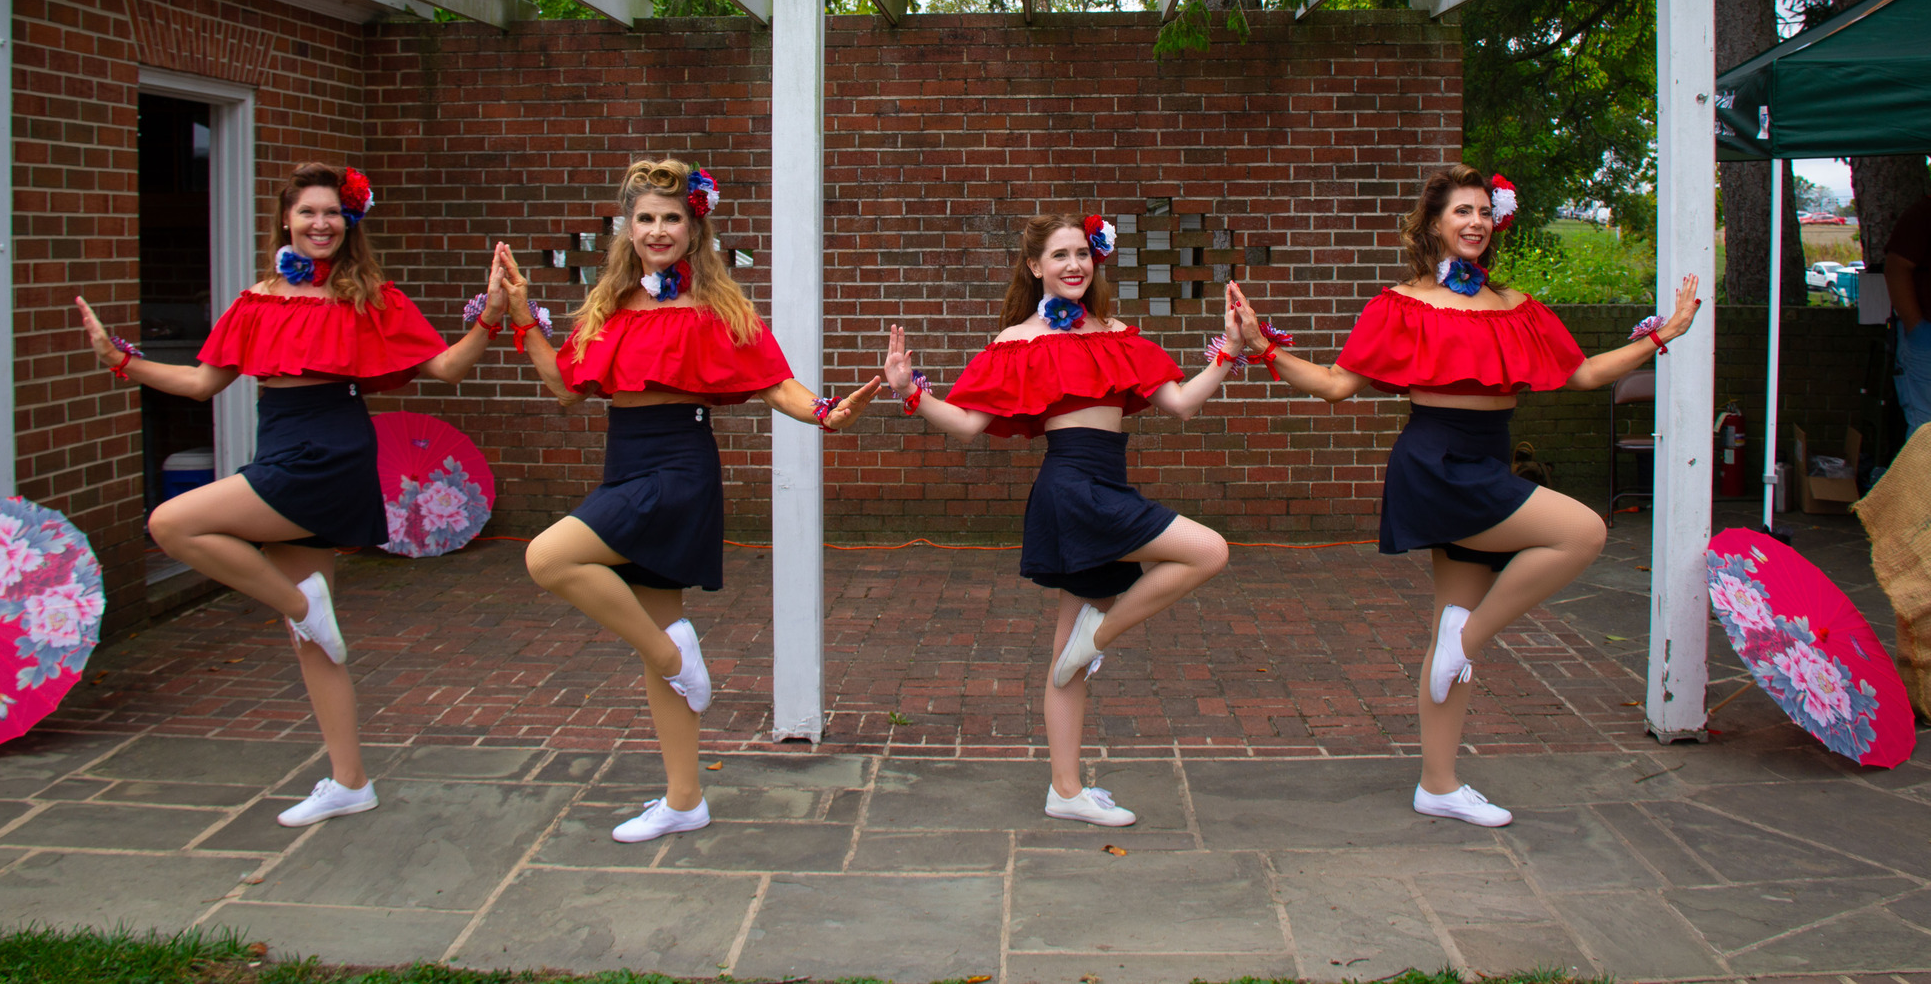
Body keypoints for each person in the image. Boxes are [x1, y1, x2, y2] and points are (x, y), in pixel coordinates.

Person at [1231, 164, 1699, 826]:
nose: (1475, 222)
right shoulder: (1400, 305)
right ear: (1433, 223)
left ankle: (1438, 783)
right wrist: (1261, 348)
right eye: (1461, 211)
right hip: (1436, 462)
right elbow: (1336, 385)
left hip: (1486, 456)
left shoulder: (1516, 305)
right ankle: (1467, 638)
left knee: (1450, 634)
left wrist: (1662, 335)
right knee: (1582, 532)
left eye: (1483, 210)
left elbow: (1584, 373)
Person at [75, 162, 511, 827]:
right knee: (314, 640)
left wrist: (491, 317)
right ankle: (351, 781)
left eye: (332, 212)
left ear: (348, 221)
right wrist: (120, 360)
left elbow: (446, 367)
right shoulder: (257, 301)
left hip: (329, 453)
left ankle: (300, 604)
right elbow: (201, 383)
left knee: (172, 523)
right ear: (285, 219)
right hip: (279, 445)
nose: (320, 222)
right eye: (308, 211)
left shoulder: (369, 297)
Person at [502, 159, 880, 844]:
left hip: (677, 469)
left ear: (693, 228)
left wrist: (826, 412)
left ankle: (679, 659)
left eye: (671, 218)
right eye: (645, 218)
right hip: (624, 463)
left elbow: (775, 383)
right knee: (659, 634)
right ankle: (684, 798)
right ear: (628, 228)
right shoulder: (611, 306)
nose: (657, 230)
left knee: (547, 557)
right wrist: (523, 314)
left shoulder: (717, 308)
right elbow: (563, 385)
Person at [881, 212, 1237, 828]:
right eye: (1060, 255)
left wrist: (1229, 350)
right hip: (1072, 488)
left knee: (1064, 659)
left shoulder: (1117, 334)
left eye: (1082, 253)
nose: (1074, 265)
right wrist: (911, 391)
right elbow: (967, 425)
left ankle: (1065, 791)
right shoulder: (1019, 340)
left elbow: (1180, 403)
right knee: (1209, 550)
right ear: (1035, 266)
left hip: (1107, 481)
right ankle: (1095, 642)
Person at [1883, 195, 1931, 438]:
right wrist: (1917, 328)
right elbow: (1896, 268)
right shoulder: (1924, 214)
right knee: (1926, 433)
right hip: (1926, 340)